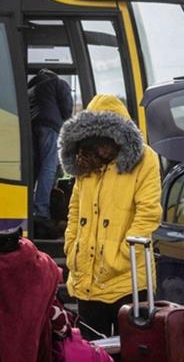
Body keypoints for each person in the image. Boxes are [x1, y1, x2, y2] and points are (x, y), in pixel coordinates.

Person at [58, 94, 162, 340]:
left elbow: (148, 214)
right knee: (92, 355)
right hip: (87, 276)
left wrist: (122, 255)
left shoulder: (145, 159)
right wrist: (72, 246)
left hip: (129, 279)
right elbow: (75, 209)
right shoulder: (84, 161)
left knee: (134, 356)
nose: (101, 144)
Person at [28, 69, 74, 238]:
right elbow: (67, 106)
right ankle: (41, 209)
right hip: (50, 126)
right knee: (49, 167)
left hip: (32, 127)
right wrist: (67, 124)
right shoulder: (57, 82)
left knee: (35, 169)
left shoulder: (31, 89)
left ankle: (29, 206)